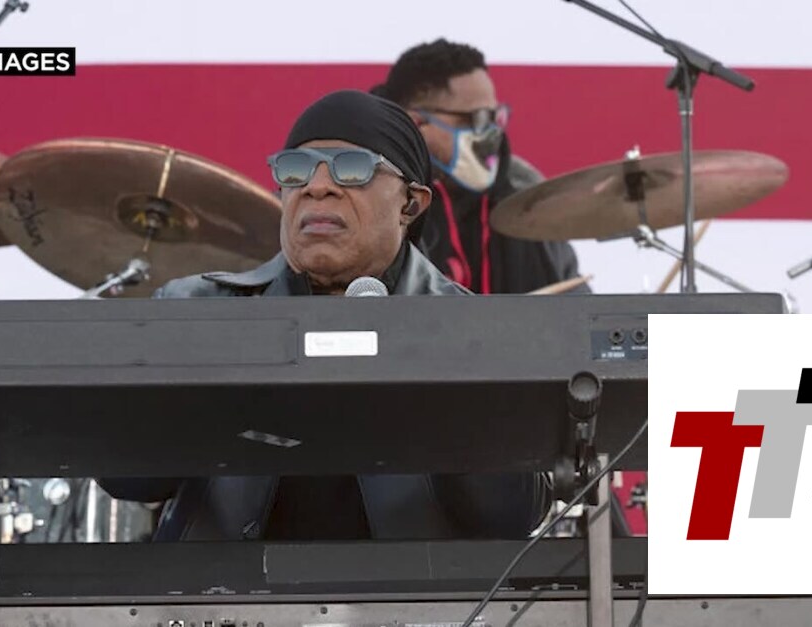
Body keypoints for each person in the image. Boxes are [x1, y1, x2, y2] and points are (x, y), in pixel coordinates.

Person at [99, 90, 550, 541]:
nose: (317, 187)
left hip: (409, 588)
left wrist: (437, 378)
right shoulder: (199, 311)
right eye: (295, 169)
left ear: (410, 204)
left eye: (350, 169)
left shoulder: (468, 330)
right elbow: (128, 479)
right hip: (226, 586)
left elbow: (512, 514)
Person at [373, 39, 589, 295]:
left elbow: (576, 307)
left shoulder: (526, 195)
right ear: (417, 123)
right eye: (475, 119)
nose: (491, 133)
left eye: (494, 117)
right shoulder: (370, 198)